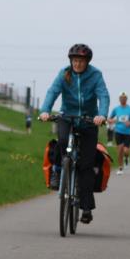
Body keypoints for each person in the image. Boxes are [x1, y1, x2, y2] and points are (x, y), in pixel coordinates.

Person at [39, 44, 109, 224]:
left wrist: (101, 115)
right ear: (71, 61)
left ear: (87, 62)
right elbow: (52, 92)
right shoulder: (64, 74)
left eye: (81, 61)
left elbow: (103, 95)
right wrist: (45, 110)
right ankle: (58, 170)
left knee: (86, 165)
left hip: (88, 121)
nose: (77, 64)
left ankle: (86, 208)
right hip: (67, 117)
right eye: (75, 61)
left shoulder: (95, 75)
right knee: (61, 142)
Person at [108, 92, 130, 175]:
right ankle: (120, 168)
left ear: (126, 99)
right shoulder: (116, 109)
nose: (122, 99)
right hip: (118, 131)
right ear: (119, 99)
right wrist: (113, 120)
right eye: (121, 98)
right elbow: (109, 119)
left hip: (127, 132)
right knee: (120, 150)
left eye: (124, 98)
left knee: (126, 150)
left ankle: (127, 158)